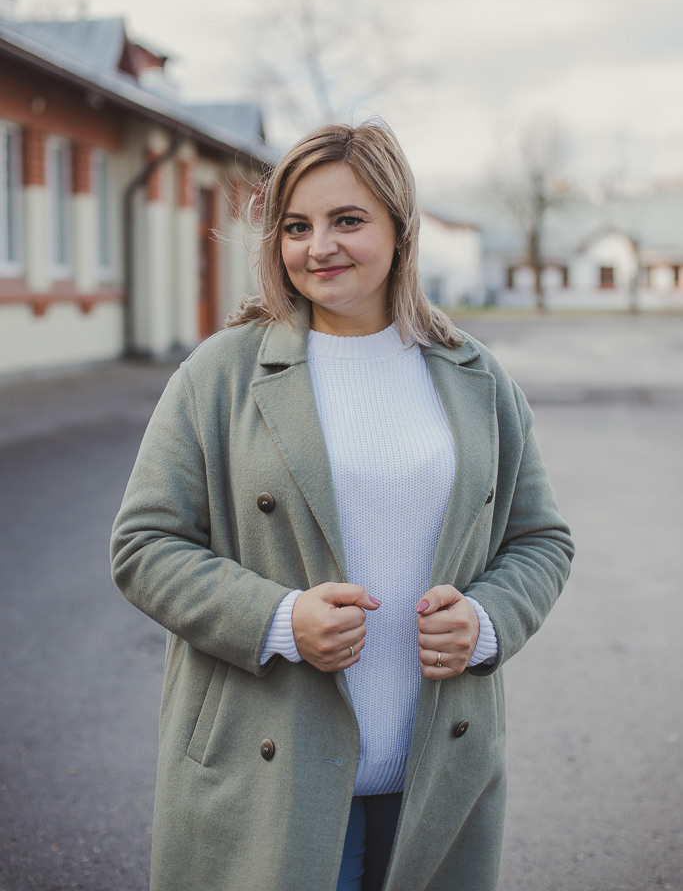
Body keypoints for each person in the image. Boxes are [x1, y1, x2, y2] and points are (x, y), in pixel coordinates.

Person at [110, 121, 574, 891]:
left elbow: (539, 538)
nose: (317, 245)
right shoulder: (220, 374)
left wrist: (488, 620)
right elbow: (144, 544)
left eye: (346, 220)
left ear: (400, 227)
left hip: (436, 765)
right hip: (267, 766)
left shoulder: (474, 375)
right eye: (296, 226)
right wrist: (279, 620)